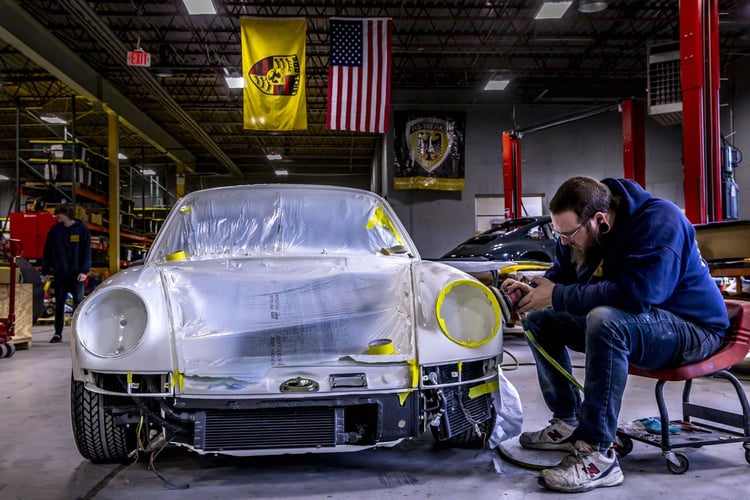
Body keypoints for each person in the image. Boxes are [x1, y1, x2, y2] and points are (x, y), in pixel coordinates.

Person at [501, 176, 728, 493]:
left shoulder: (660, 221)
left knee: (607, 321)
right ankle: (568, 420)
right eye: (559, 234)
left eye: (569, 234)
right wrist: (536, 291)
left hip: (693, 329)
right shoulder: (580, 232)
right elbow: (561, 277)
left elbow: (637, 295)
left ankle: (598, 453)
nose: (563, 241)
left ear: (600, 220)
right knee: (540, 318)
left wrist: (559, 296)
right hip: (645, 323)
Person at [41, 204, 91, 343]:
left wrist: (84, 271)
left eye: (59, 214)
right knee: (59, 305)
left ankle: (78, 334)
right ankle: (58, 333)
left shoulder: (82, 230)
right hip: (60, 274)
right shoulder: (55, 231)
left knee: (78, 305)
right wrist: (45, 271)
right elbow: (47, 251)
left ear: (67, 214)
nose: (57, 217)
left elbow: (86, 251)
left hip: (77, 275)